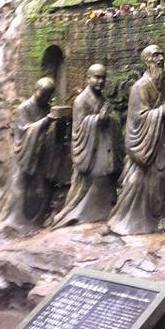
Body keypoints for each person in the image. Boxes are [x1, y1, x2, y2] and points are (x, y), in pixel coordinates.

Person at [107, 45, 165, 235]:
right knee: (136, 184)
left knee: (160, 181)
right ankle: (127, 222)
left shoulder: (164, 86)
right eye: (155, 55)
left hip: (159, 144)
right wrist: (163, 110)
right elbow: (138, 119)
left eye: (161, 55)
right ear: (147, 61)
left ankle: (154, 221)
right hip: (143, 147)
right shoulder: (139, 87)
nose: (160, 59)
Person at [52, 64, 121, 229]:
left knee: (105, 179)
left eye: (103, 78)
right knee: (88, 183)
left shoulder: (103, 99)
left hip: (101, 152)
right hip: (88, 152)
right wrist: (97, 120)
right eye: (97, 77)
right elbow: (78, 129)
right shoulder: (81, 101)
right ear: (88, 78)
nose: (100, 81)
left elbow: (112, 121)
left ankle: (102, 211)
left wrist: (110, 119)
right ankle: (79, 213)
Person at [0, 78, 57, 229]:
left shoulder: (48, 108)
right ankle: (15, 219)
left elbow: (50, 132)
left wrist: (56, 124)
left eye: (48, 95)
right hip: (24, 154)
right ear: (35, 89)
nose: (45, 98)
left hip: (40, 154)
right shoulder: (24, 108)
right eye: (42, 93)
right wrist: (45, 122)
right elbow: (24, 130)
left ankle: (37, 219)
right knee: (19, 186)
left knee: (43, 187)